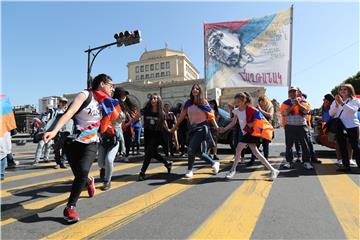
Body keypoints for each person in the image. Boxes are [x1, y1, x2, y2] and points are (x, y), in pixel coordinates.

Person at [43, 73, 117, 223]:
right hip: (72, 142)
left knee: (82, 171)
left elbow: (110, 118)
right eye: (111, 85)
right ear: (102, 84)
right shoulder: (85, 95)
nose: (113, 88)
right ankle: (89, 181)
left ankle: (70, 207)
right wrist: (54, 131)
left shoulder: (106, 102)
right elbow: (69, 113)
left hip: (91, 142)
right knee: (80, 174)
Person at [219, 92, 279, 180]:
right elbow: (233, 122)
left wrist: (252, 123)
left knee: (238, 148)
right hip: (246, 132)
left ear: (244, 101)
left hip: (251, 132)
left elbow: (260, 119)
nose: (236, 103)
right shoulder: (236, 111)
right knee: (255, 152)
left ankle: (232, 170)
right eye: (235, 102)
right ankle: (273, 170)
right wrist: (224, 129)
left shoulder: (252, 109)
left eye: (238, 102)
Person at [171, 83, 220, 178]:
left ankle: (189, 170)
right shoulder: (188, 103)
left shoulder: (204, 102)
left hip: (202, 128)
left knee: (190, 149)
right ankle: (214, 163)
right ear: (191, 91)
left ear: (199, 91)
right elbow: (181, 117)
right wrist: (174, 127)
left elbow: (211, 116)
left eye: (197, 89)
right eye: (193, 89)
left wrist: (217, 127)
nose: (195, 90)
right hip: (192, 129)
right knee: (197, 152)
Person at [138, 93, 173, 181]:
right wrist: (129, 123)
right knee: (151, 153)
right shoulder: (146, 109)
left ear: (158, 100)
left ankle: (142, 172)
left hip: (157, 134)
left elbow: (164, 122)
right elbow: (137, 116)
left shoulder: (162, 112)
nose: (153, 100)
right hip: (147, 133)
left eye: (155, 98)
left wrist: (168, 130)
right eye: (152, 98)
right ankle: (167, 163)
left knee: (148, 153)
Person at [280, 86, 313, 170]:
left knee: (304, 144)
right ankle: (289, 161)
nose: (292, 93)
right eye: (291, 92)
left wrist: (298, 104)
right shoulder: (285, 103)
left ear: (297, 93)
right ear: (288, 93)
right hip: (289, 126)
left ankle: (306, 162)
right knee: (289, 145)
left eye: (294, 91)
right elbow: (284, 113)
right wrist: (292, 106)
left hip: (302, 126)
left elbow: (306, 111)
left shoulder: (303, 102)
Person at [329, 83, 360, 172]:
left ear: (350, 91)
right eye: (341, 89)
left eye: (345, 89)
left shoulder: (355, 100)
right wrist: (336, 105)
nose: (342, 91)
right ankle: (346, 166)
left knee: (355, 146)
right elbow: (331, 113)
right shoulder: (335, 101)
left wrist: (342, 103)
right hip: (340, 126)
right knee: (342, 146)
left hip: (352, 126)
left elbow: (352, 111)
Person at [247, 95, 274, 166]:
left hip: (266, 129)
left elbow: (270, 115)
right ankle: (252, 160)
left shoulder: (270, 107)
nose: (260, 102)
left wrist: (260, 110)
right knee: (255, 145)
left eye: (262, 100)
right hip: (258, 129)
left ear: (266, 101)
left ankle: (266, 161)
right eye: (259, 101)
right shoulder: (257, 108)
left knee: (265, 145)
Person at [116, 87, 137, 162]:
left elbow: (134, 116)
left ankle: (126, 155)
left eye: (125, 94)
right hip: (117, 126)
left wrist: (132, 119)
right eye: (122, 94)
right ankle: (118, 153)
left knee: (127, 141)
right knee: (118, 141)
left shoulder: (128, 104)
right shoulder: (115, 103)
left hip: (128, 127)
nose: (124, 96)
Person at [0, 94, 17, 180]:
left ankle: (1, 174)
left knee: (3, 152)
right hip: (5, 130)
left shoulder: (4, 101)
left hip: (4, 131)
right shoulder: (6, 103)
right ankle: (1, 173)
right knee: (3, 151)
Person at [53, 97, 71, 169]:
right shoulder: (55, 111)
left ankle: (63, 162)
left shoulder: (68, 111)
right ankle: (58, 162)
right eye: (62, 102)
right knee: (56, 147)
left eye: (65, 102)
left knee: (65, 147)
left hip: (65, 131)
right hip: (56, 131)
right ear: (59, 102)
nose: (63, 103)